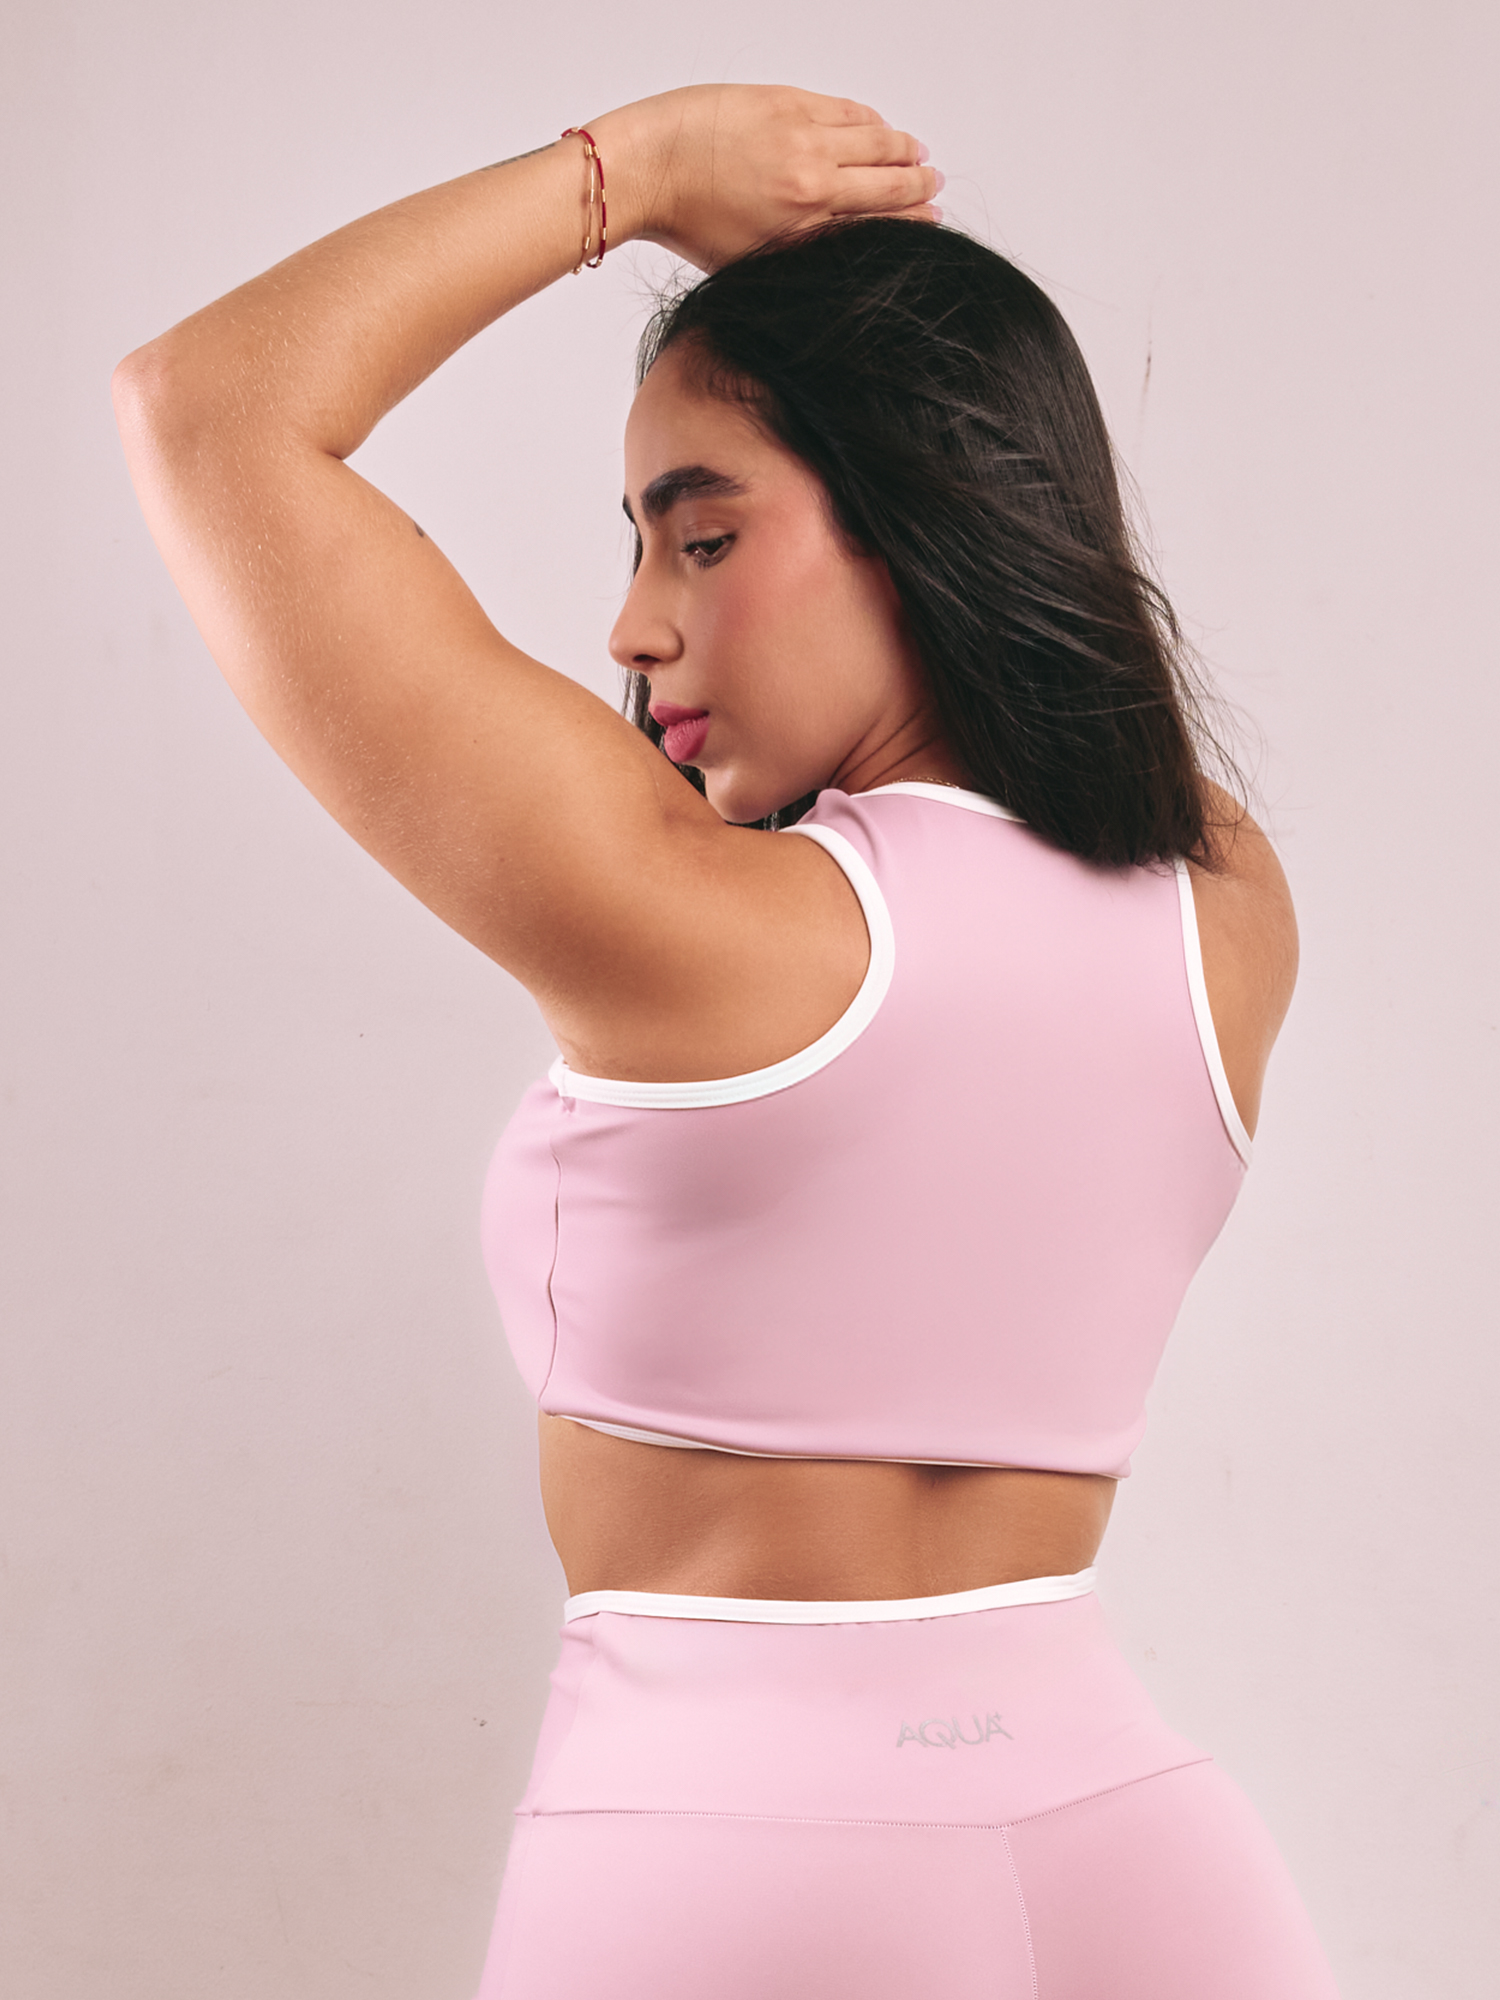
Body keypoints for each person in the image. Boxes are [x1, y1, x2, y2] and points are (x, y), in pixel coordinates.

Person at [114, 82, 1338, 1999]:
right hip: (1146, 1868)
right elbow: (1067, 692)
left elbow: (207, 409)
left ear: (920, 523)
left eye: (700, 538)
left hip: (724, 1873)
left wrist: (635, 173)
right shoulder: (1227, 908)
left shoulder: (684, 923)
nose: (632, 626)